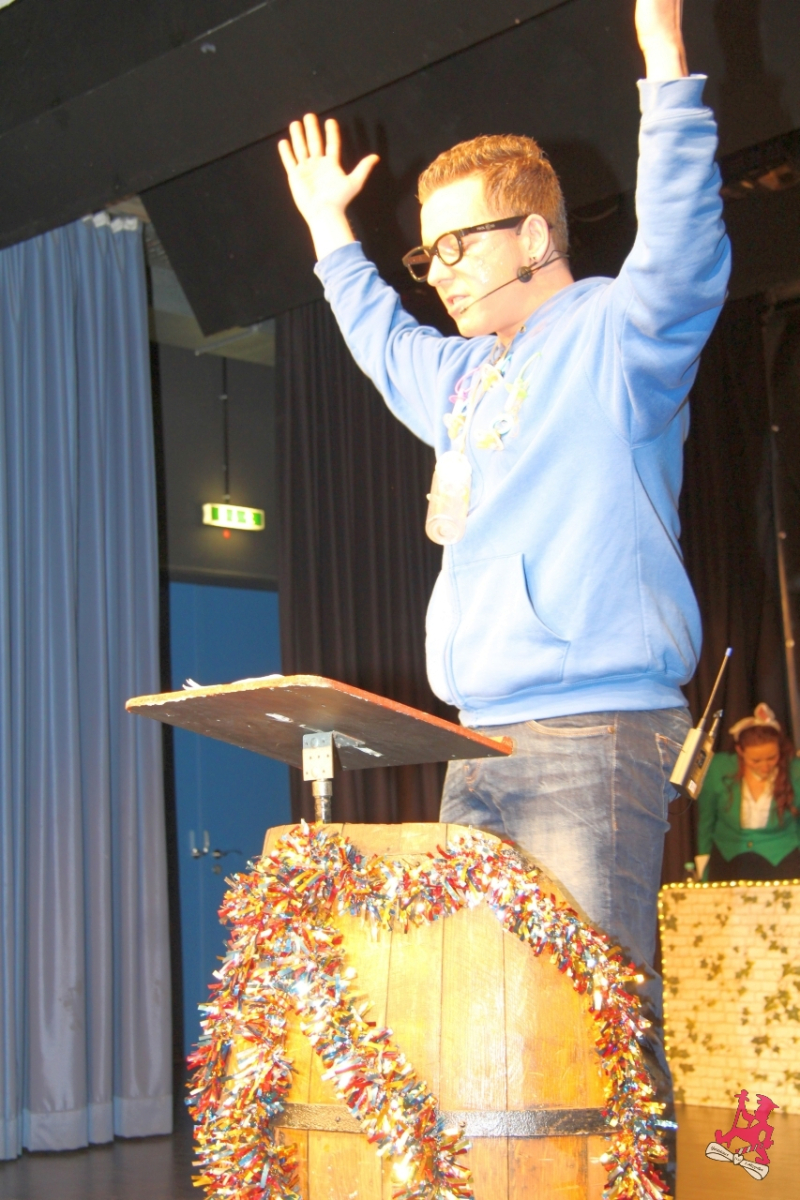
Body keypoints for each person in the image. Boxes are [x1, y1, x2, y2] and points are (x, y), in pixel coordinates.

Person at [278, 0, 730, 1187]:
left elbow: (682, 257)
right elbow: (380, 341)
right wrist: (331, 236)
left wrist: (664, 73)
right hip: (476, 743)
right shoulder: (465, 382)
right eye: (424, 254)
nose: (436, 275)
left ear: (534, 232)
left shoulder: (615, 338)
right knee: (491, 1014)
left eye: (457, 246)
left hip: (592, 732)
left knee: (595, 1022)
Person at [696, 703, 800, 882]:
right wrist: (703, 863)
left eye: (772, 758)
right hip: (728, 858)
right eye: (756, 760)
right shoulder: (718, 768)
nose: (765, 767)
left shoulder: (795, 771)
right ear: (740, 751)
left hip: (782, 856)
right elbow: (706, 821)